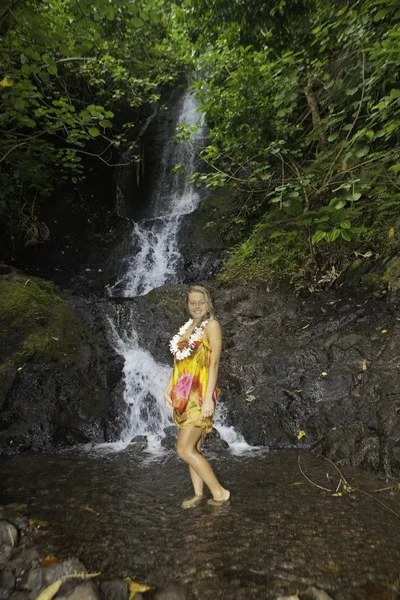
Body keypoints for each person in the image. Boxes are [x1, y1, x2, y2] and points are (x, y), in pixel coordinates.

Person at [164, 285, 230, 508]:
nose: (197, 306)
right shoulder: (187, 328)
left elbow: (214, 363)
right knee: (195, 449)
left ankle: (220, 492)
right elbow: (180, 363)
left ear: (208, 302)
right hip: (183, 394)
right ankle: (198, 495)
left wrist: (209, 397)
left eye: (201, 302)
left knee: (183, 449)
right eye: (193, 302)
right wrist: (167, 388)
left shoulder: (211, 326)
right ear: (187, 305)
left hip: (199, 395)